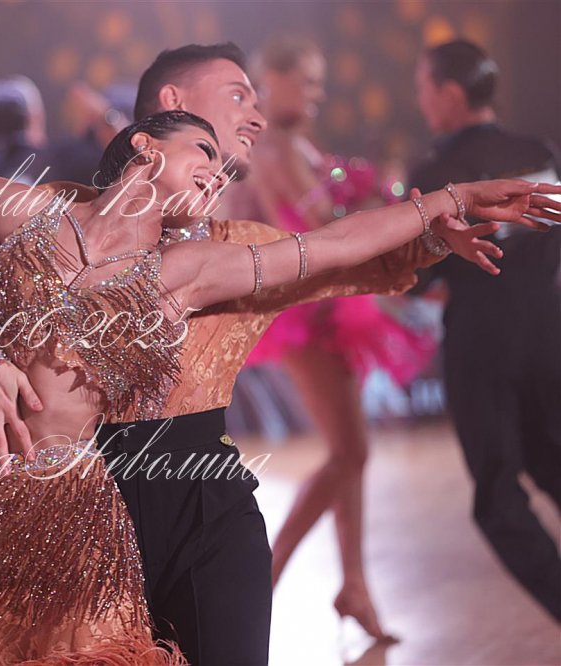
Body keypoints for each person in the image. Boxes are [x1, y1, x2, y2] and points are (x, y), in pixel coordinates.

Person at [0, 94, 556, 663]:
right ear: (144, 149)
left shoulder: (186, 271)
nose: (220, 175)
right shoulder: (17, 210)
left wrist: (442, 204)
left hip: (77, 508)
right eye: (207, 154)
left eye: (224, 170)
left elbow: (324, 247)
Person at [0, 43, 554, 665]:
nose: (256, 116)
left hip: (204, 492)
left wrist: (432, 234)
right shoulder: (61, 214)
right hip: (73, 504)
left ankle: (351, 581)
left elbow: (334, 255)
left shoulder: (237, 243)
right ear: (171, 105)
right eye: (239, 96)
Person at [224, 36, 431, 641]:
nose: (316, 93)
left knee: (351, 453)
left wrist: (372, 197)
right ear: (272, 81)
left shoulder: (294, 143)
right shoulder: (270, 147)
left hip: (329, 309)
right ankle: (262, 582)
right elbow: (320, 227)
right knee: (350, 452)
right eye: (307, 81)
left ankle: (354, 585)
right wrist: (377, 201)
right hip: (306, 316)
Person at [409, 39, 561, 622]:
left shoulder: (435, 177)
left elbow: (419, 279)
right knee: (554, 463)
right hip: (549, 330)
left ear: (450, 94)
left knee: (498, 497)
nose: (422, 102)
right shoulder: (538, 151)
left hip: (481, 343)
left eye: (425, 89)